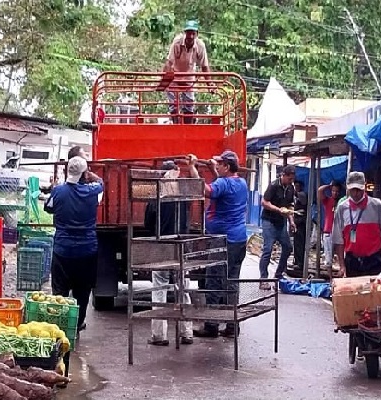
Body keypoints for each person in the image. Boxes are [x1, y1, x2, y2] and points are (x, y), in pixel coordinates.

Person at [188, 151, 248, 338]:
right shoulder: (241, 183)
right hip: (238, 239)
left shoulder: (223, 183)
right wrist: (213, 169)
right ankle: (232, 325)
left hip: (222, 240)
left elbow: (204, 190)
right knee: (232, 282)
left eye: (220, 164)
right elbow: (221, 187)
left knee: (214, 281)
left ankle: (211, 325)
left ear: (227, 167)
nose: (218, 165)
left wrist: (192, 167)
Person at [44, 156, 104, 331]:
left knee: (60, 289)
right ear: (85, 173)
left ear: (66, 171)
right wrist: (95, 177)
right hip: (87, 249)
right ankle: (78, 323)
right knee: (83, 290)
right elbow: (101, 185)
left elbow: (48, 207)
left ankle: (60, 324)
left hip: (62, 249)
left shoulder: (58, 191)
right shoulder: (92, 192)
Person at [144, 161, 193, 346]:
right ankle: (186, 333)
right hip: (181, 246)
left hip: (161, 246)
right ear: (176, 173)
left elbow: (148, 224)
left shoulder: (155, 195)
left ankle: (159, 335)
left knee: (159, 289)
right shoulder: (184, 194)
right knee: (183, 288)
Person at [332, 172, 381, 278]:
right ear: (347, 188)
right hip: (352, 261)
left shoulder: (377, 205)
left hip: (374, 260)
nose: (355, 193)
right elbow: (338, 239)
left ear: (364, 187)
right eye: (352, 190)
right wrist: (342, 265)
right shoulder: (341, 208)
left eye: (359, 190)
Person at [163, 20, 211, 124]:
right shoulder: (177, 42)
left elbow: (205, 66)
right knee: (173, 103)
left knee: (189, 103)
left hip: (189, 77)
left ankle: (188, 127)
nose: (191, 36)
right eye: (189, 33)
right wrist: (164, 80)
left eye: (193, 33)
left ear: (197, 34)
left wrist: (209, 85)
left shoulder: (200, 46)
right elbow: (169, 62)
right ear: (185, 33)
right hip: (174, 75)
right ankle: (175, 124)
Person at [258, 165, 296, 288]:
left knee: (288, 247)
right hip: (269, 221)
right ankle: (263, 279)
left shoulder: (291, 188)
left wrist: (291, 221)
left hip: (281, 222)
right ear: (283, 175)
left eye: (292, 179)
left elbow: (290, 206)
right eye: (289, 178)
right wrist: (278, 210)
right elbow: (264, 202)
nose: (291, 181)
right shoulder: (274, 186)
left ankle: (278, 275)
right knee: (268, 249)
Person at [317, 181, 341, 268]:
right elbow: (319, 191)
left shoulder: (342, 202)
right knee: (328, 258)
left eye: (337, 191)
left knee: (341, 256)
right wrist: (329, 185)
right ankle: (330, 278)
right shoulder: (328, 201)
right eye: (333, 191)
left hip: (339, 232)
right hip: (328, 231)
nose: (335, 193)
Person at [291, 181, 308, 275]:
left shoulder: (302, 195)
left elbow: (300, 198)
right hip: (297, 222)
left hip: (301, 223)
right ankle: (297, 261)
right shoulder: (297, 197)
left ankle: (300, 263)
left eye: (297, 186)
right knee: (296, 243)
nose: (295, 188)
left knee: (300, 244)